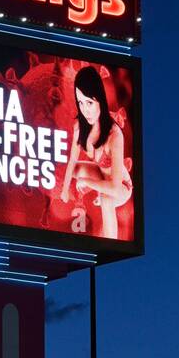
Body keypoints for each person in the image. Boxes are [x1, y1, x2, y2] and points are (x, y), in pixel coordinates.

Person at [60, 65, 132, 239]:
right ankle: (92, 195)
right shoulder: (80, 127)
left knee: (107, 201)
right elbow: (72, 162)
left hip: (121, 187)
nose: (85, 110)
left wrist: (87, 182)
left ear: (100, 99)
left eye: (90, 102)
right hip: (100, 174)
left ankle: (111, 244)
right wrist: (64, 189)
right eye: (81, 103)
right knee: (72, 170)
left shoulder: (114, 135)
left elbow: (115, 186)